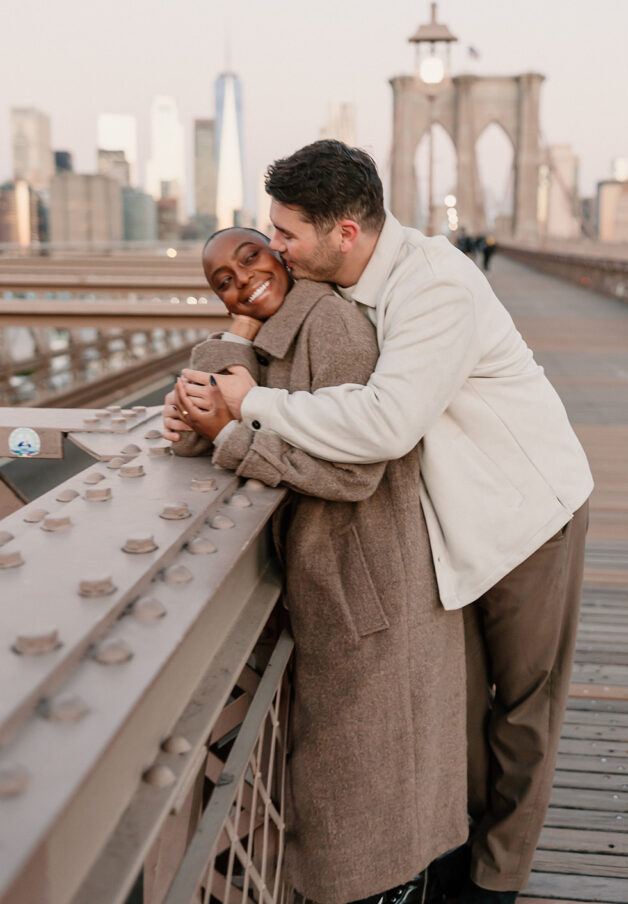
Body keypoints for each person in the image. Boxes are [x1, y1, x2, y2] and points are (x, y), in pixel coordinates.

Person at [167, 141, 594, 904]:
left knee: (522, 709)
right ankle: (450, 850)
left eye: (286, 234)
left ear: (346, 234)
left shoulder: (434, 287)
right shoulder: (336, 280)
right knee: (456, 708)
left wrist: (247, 408)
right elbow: (273, 347)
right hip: (443, 523)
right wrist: (233, 335)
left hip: (526, 516)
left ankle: (494, 881)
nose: (275, 249)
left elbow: (384, 426)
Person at [168, 227, 468, 904]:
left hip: (369, 583)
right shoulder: (279, 329)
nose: (241, 278)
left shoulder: (330, 327)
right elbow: (203, 420)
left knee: (366, 784)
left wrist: (231, 437)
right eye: (223, 281)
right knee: (361, 782)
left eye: (252, 256)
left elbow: (356, 475)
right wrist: (235, 336)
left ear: (281, 253)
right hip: (335, 580)